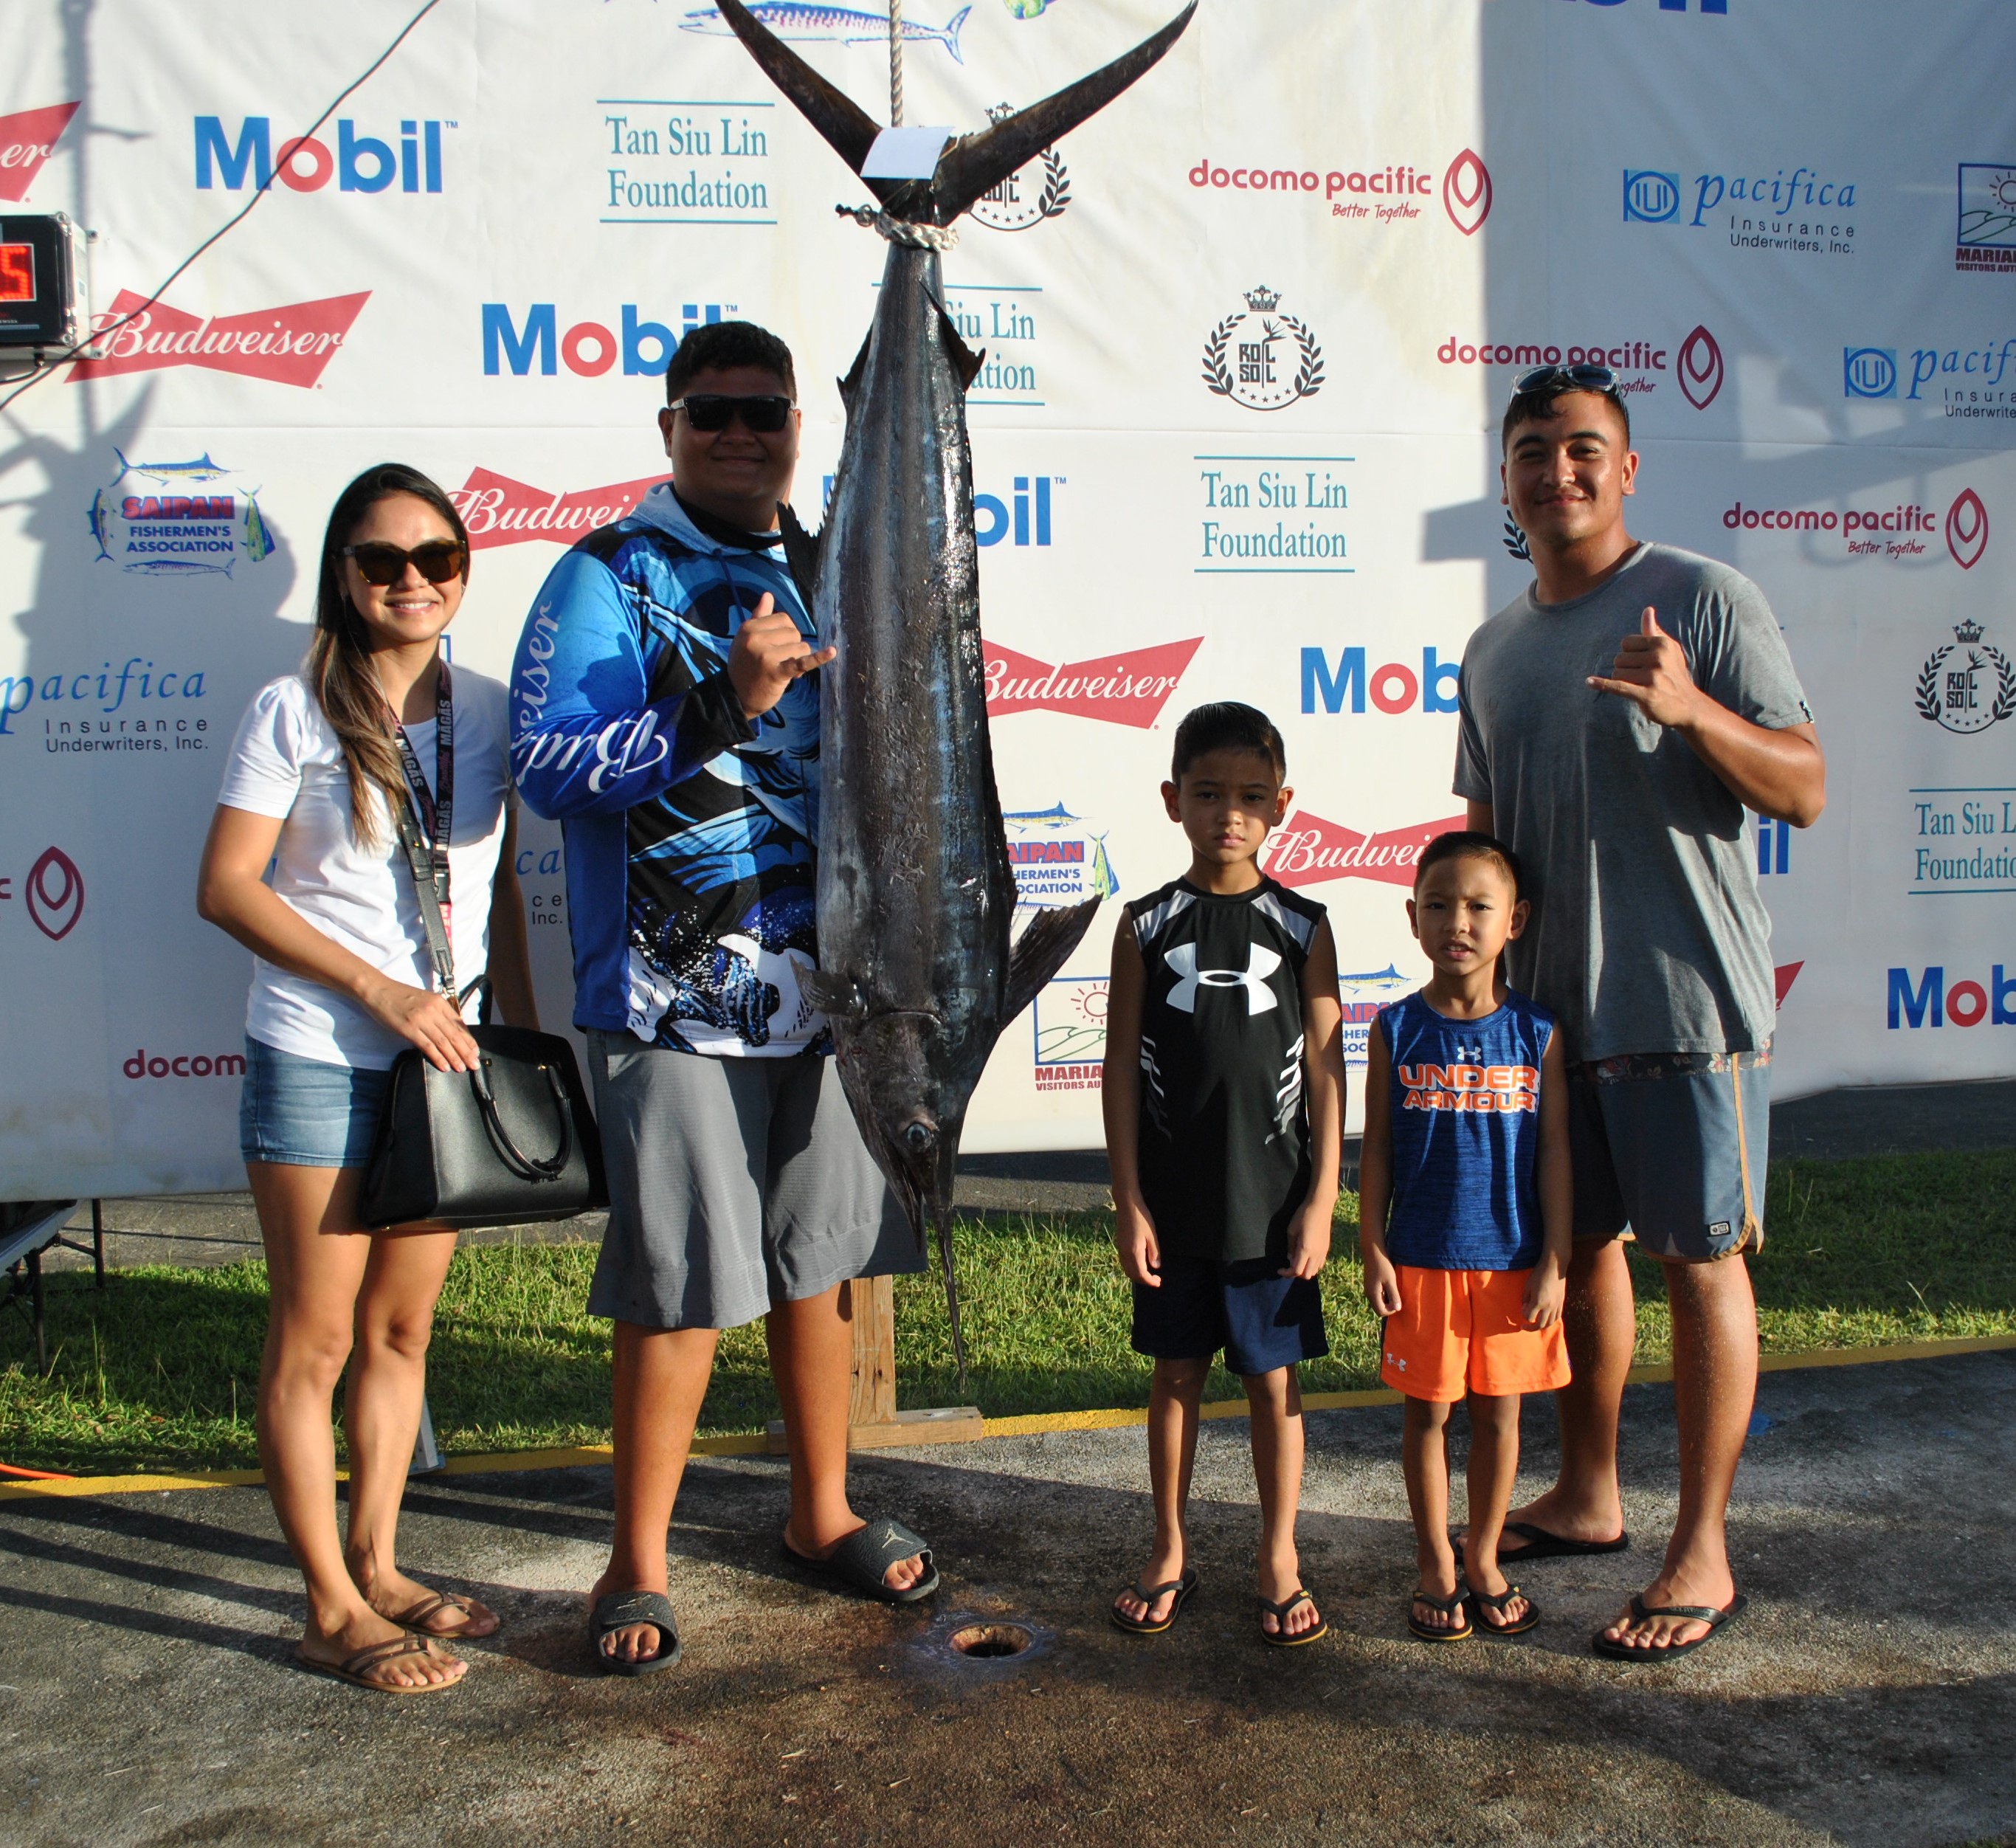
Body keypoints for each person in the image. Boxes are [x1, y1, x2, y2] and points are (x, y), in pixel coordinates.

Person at [508, 320, 933, 1677]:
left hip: (838, 992)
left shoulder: (826, 568)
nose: (741, 434)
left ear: (799, 425)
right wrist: (718, 705)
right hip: (674, 990)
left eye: (765, 412)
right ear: (668, 428)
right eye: (712, 414)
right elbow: (548, 764)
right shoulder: (608, 572)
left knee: (820, 1266)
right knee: (682, 1282)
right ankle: (635, 1559)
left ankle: (820, 1511)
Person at [1453, 364, 1825, 1661]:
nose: (1556, 470)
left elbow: (1806, 785)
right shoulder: (1491, 649)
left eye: (1582, 449)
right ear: (1503, 479)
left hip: (1683, 1001)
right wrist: (1478, 995)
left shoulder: (1702, 599)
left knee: (1699, 1258)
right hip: (1550, 1020)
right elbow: (1484, 847)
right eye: (1532, 452)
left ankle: (1703, 1549)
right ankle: (1592, 1492)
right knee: (1589, 1249)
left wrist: (1692, 708)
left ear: (1625, 466)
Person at [196, 463, 537, 1693]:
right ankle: (329, 1607)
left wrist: (514, 1033)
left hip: (442, 1067)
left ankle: (380, 1562)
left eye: (434, 558)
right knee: (318, 1338)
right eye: (382, 559)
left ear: (462, 571)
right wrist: (379, 992)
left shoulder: (496, 708)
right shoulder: (288, 710)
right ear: (345, 574)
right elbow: (226, 884)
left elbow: (486, 885)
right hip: (321, 1054)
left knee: (402, 1329)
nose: (410, 580)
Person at [1102, 703, 1347, 1647]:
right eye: (1208, 794)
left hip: (1276, 1211)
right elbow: (1121, 1065)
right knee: (1174, 1375)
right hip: (1175, 1208)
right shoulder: (1142, 925)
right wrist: (1128, 1200)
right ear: (1172, 800)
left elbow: (1327, 1070)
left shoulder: (1302, 924)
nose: (1228, 814)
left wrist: (1323, 1199)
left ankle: (1278, 1555)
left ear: (1280, 805)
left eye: (1249, 797)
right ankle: (1167, 1546)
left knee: (1273, 1383)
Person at [1358, 832, 1572, 1644]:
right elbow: (1373, 1146)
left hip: (1512, 1264)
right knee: (1426, 1418)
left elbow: (1554, 1149)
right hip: (1420, 1260)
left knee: (1501, 1419)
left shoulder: (1537, 1033)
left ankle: (1482, 1556)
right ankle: (1432, 1563)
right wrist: (1370, 1244)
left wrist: (1555, 1257)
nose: (1458, 921)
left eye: (1478, 906)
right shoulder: (1394, 1029)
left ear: (1512, 920)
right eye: (1439, 904)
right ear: (1413, 918)